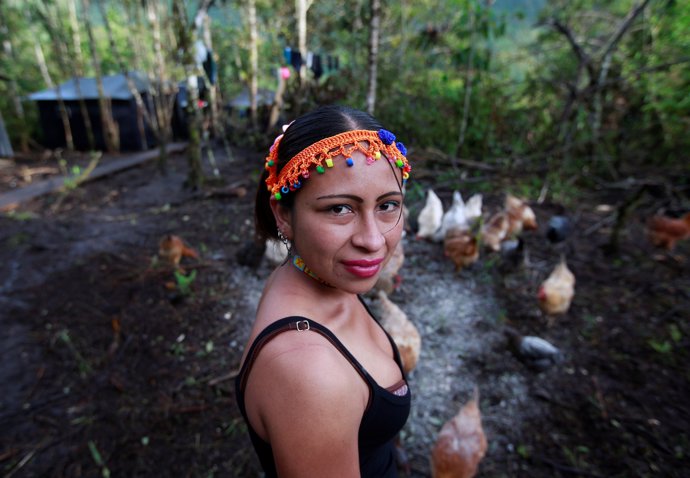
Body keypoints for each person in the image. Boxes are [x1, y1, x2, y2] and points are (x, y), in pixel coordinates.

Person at [235, 104, 412, 477]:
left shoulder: (313, 274)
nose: (373, 240)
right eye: (339, 210)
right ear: (283, 214)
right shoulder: (309, 372)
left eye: (387, 205)